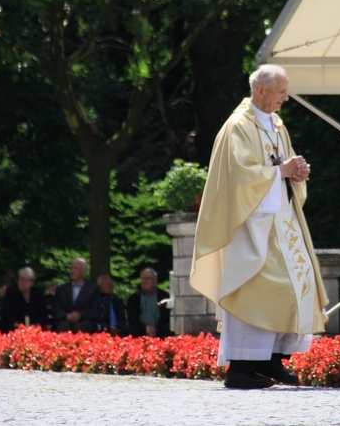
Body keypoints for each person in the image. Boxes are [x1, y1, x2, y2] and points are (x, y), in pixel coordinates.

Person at [190, 64, 329, 389]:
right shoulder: (238, 126)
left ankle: (272, 360)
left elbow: (285, 166)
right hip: (250, 225)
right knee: (258, 290)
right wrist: (280, 171)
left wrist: (296, 174)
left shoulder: (277, 125)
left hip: (282, 221)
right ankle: (241, 367)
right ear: (260, 90)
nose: (286, 97)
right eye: (281, 91)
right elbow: (238, 176)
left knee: (296, 284)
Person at [52, 258, 100, 333]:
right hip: (65, 321)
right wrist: (66, 315)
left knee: (80, 329)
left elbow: (95, 310)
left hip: (85, 322)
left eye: (76, 269)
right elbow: (56, 309)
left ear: (83, 272)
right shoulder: (62, 289)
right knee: (62, 328)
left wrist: (80, 315)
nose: (72, 271)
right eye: (71, 268)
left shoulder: (93, 289)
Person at [125, 268, 171, 338]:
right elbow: (132, 318)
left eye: (148, 278)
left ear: (155, 281)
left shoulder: (164, 296)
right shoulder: (134, 298)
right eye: (143, 278)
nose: (145, 281)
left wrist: (156, 329)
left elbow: (167, 316)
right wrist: (145, 328)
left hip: (161, 333)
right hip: (139, 334)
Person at [0, 267, 46, 333]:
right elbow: (6, 313)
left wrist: (35, 326)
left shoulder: (37, 293)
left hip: (35, 329)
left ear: (32, 283)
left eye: (26, 280)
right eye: (21, 279)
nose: (22, 282)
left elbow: (43, 314)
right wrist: (18, 326)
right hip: (14, 328)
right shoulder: (11, 292)